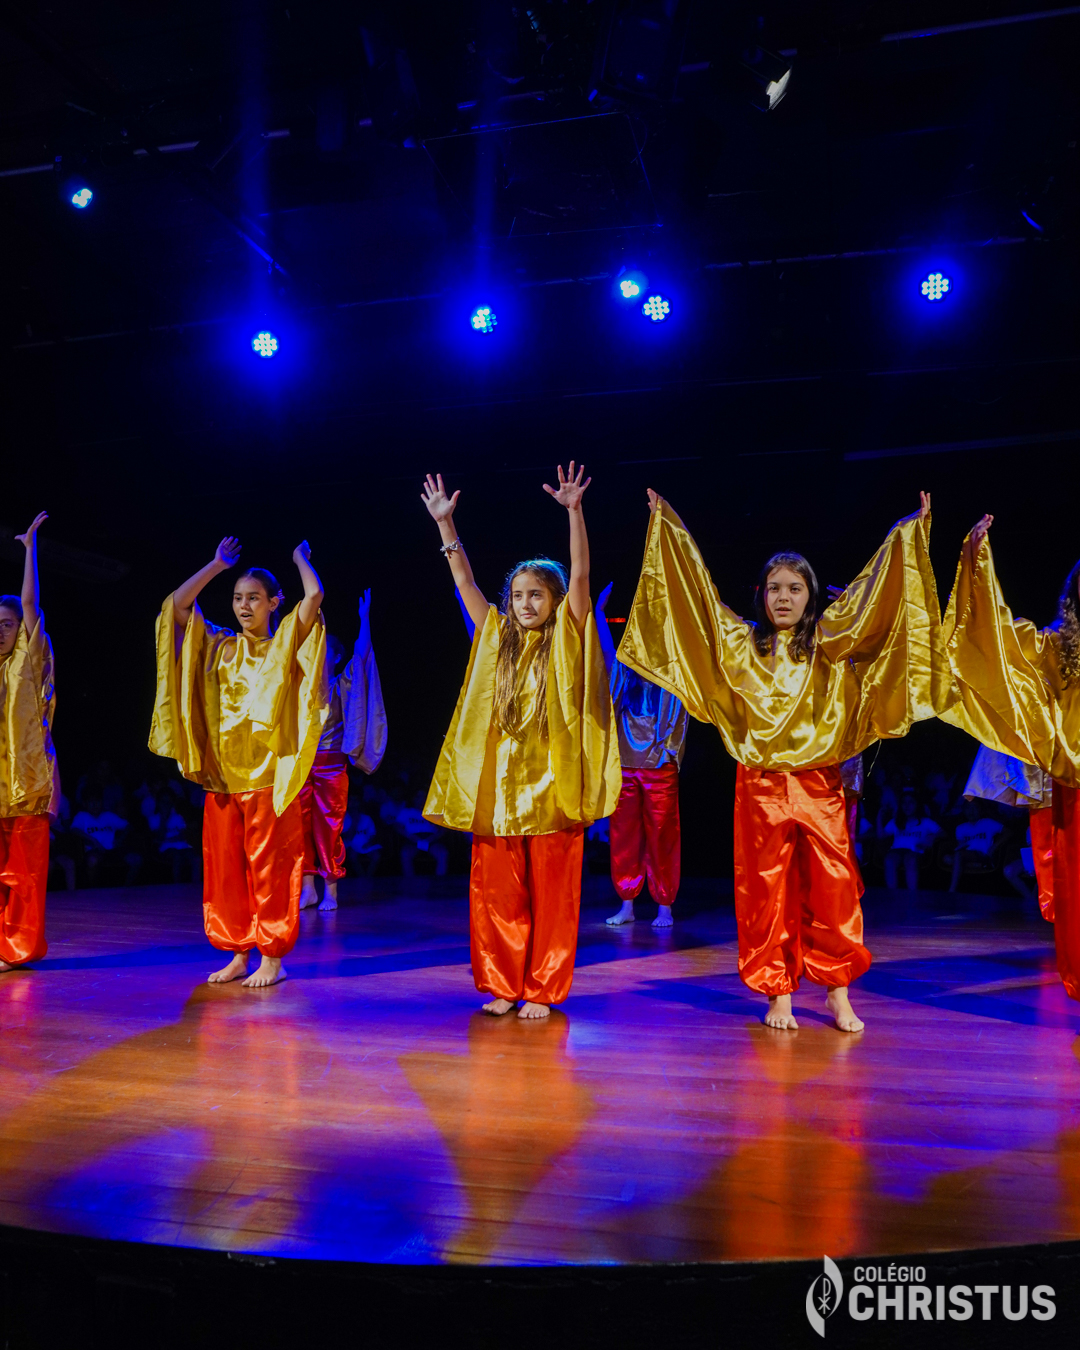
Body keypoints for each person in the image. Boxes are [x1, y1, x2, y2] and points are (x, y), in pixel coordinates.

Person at [619, 489, 947, 1032]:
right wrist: (668, 527)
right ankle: (779, 993)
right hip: (761, 785)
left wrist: (909, 531)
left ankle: (838, 991)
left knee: (833, 887)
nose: (784, 597)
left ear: (810, 594)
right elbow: (696, 601)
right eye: (775, 588)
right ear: (762, 595)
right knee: (766, 892)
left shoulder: (829, 643)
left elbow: (877, 595)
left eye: (795, 588)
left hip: (819, 784)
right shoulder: (744, 645)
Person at [421, 466, 621, 1019]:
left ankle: (542, 987)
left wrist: (574, 512)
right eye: (517, 594)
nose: (526, 603)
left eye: (537, 594)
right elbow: (465, 583)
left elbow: (581, 574)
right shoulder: (497, 636)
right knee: (497, 894)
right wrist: (445, 526)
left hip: (553, 791)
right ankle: (505, 983)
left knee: (553, 896)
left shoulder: (569, 636)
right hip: (500, 793)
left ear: (555, 600)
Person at [150, 536, 327, 988]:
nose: (244, 606)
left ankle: (272, 957)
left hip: (267, 779)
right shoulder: (218, 645)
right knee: (227, 874)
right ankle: (237, 952)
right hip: (222, 780)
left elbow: (314, 596)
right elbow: (177, 607)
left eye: (253, 598)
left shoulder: (284, 642)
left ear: (273, 603)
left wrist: (299, 558)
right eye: (237, 598)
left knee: (269, 871)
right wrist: (215, 566)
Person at [594, 582, 688, 929]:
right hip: (626, 765)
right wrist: (599, 613)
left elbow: (681, 715)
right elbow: (606, 652)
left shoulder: (673, 671)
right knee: (624, 836)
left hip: (659, 766)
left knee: (663, 836)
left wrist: (670, 755)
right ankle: (628, 904)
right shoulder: (624, 668)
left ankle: (664, 906)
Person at [298, 590, 387, 912]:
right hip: (301, 767)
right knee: (300, 829)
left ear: (335, 657)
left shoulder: (341, 684)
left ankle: (331, 891)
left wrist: (364, 620)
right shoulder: (301, 690)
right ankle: (308, 890)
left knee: (328, 828)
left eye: (324, 652)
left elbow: (361, 656)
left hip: (331, 767)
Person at [0, 512, 55, 972]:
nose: (0, 630)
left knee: (24, 874)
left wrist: (29, 549)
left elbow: (30, 602)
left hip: (28, 783)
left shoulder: (29, 657)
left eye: (6, 623)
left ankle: (18, 948)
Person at [963, 743, 1052, 918]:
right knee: (1010, 871)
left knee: (1044, 874)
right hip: (1033, 860)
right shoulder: (1032, 824)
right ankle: (1030, 900)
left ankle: (1041, 904)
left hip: (1050, 861)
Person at [881, 789, 941, 890]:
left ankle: (912, 894)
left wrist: (932, 837)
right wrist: (879, 818)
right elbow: (881, 836)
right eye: (904, 802)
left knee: (910, 859)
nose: (907, 805)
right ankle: (892, 895)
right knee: (889, 860)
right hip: (897, 850)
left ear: (917, 804)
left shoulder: (925, 821)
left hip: (916, 851)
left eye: (911, 802)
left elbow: (942, 833)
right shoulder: (896, 821)